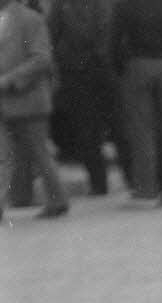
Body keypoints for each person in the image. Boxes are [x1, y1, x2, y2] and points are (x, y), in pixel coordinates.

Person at [109, 0, 162, 206]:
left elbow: (114, 40)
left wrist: (120, 67)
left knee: (142, 130)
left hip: (137, 65)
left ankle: (146, 190)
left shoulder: (124, 4)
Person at [0, 0, 70, 217]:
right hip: (5, 102)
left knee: (40, 153)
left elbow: (42, 58)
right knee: (4, 156)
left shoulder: (30, 19)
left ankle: (58, 200)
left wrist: (10, 79)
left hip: (28, 100)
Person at [47, 0, 113, 196]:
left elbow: (52, 34)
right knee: (95, 128)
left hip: (76, 71)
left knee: (85, 128)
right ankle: (101, 181)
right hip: (95, 69)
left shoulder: (61, 5)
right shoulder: (100, 5)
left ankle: (98, 182)